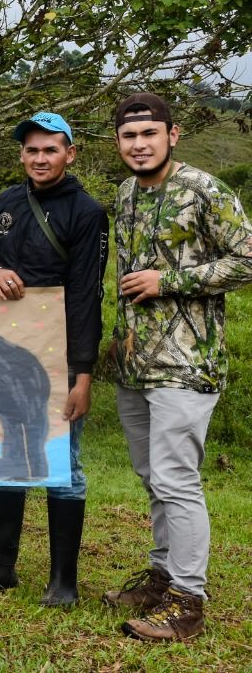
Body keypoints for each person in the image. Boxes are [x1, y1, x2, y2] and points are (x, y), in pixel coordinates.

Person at [101, 92, 252, 641]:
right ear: (118, 142)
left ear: (173, 134)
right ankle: (162, 575)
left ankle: (188, 601)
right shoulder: (126, 194)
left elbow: (247, 258)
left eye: (149, 134)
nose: (139, 145)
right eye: (129, 136)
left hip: (188, 363)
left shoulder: (205, 190)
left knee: (176, 479)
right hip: (135, 363)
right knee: (152, 478)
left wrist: (170, 281)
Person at [0, 112, 108, 605]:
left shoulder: (87, 212)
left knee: (63, 460)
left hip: (59, 356)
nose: (40, 158)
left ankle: (63, 581)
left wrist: (82, 375)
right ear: (22, 155)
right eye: (31, 150)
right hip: (4, 355)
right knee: (7, 448)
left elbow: (86, 296)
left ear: (70, 153)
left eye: (50, 149)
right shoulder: (5, 202)